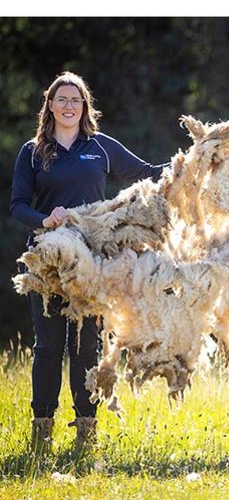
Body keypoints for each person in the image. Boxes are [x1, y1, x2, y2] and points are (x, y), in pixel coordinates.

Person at [10, 71, 166, 454]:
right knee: (47, 347)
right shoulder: (32, 151)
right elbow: (17, 206)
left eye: (75, 100)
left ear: (85, 106)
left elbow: (147, 173)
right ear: (49, 105)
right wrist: (45, 220)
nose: (68, 106)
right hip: (46, 260)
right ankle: (42, 431)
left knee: (85, 348)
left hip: (93, 263)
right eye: (61, 99)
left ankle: (86, 432)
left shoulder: (100, 147)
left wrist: (193, 162)